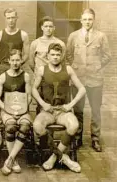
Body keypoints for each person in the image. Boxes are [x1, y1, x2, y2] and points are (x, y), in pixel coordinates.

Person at [32, 43, 86, 173]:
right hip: (48, 110)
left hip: (62, 110)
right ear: (48, 56)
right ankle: (64, 158)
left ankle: (53, 157)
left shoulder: (68, 69)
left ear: (61, 56)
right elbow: (33, 89)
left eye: (58, 55)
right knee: (37, 126)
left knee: (74, 125)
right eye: (52, 55)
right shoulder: (42, 70)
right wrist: (42, 103)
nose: (55, 57)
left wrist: (70, 105)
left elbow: (82, 89)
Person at [66, 8, 111, 151]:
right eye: (85, 19)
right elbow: (68, 55)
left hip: (95, 79)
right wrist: (75, 69)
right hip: (78, 79)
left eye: (90, 19)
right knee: (78, 109)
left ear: (94, 20)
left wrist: (97, 67)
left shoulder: (101, 36)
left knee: (95, 110)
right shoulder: (73, 36)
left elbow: (107, 56)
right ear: (81, 20)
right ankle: (78, 137)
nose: (87, 22)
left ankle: (95, 138)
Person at [0, 49, 32, 175]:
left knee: (25, 126)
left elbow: (29, 96)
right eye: (13, 60)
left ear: (21, 60)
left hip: (22, 110)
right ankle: (14, 160)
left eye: (18, 60)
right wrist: (7, 109)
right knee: (10, 127)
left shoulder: (25, 76)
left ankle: (10, 159)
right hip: (7, 110)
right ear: (9, 61)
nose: (15, 63)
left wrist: (22, 109)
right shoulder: (3, 77)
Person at [0, 8, 29, 81]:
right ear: (5, 19)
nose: (11, 20)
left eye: (13, 17)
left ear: (16, 18)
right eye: (8, 18)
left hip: (17, 67)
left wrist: (19, 64)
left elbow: (26, 54)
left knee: (17, 90)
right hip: (3, 67)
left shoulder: (23, 35)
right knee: (1, 91)